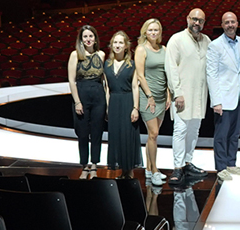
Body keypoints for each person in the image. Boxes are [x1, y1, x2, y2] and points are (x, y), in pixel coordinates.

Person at [164, 8, 211, 184]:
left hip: (199, 95)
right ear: (187, 19)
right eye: (194, 19)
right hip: (182, 95)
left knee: (194, 130)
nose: (197, 23)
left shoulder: (206, 40)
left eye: (200, 20)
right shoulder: (176, 40)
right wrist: (177, 93)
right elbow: (171, 68)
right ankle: (177, 167)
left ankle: (187, 162)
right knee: (180, 130)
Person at [207, 11, 240, 182]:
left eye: (233, 22)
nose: (230, 25)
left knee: (235, 134)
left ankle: (231, 164)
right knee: (221, 135)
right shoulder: (215, 45)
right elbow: (212, 74)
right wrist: (216, 101)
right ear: (222, 25)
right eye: (227, 22)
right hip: (223, 99)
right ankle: (221, 167)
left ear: (237, 23)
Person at [67, 25, 107, 178]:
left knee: (97, 132)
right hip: (82, 95)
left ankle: (95, 165)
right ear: (81, 39)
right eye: (85, 37)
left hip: (98, 96)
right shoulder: (75, 55)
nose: (88, 39)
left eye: (91, 36)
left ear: (95, 38)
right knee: (82, 133)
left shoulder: (102, 54)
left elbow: (105, 81)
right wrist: (77, 101)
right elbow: (71, 80)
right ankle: (84, 166)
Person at [135, 18, 170, 186]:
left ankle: (149, 169)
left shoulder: (164, 49)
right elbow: (140, 75)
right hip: (148, 97)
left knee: (152, 136)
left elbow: (167, 73)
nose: (153, 33)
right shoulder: (141, 49)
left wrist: (169, 94)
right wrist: (150, 96)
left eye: (156, 30)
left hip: (162, 97)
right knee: (154, 134)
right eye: (150, 30)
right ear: (145, 32)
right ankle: (155, 170)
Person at [105, 30, 142, 178]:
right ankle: (121, 171)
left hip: (127, 101)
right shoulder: (107, 64)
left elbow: (135, 87)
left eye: (121, 42)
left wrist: (135, 108)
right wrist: (107, 108)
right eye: (115, 42)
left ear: (126, 46)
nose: (117, 45)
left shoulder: (131, 65)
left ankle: (129, 172)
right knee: (116, 136)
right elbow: (107, 87)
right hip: (114, 102)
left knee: (127, 136)